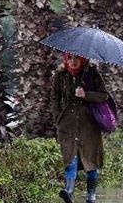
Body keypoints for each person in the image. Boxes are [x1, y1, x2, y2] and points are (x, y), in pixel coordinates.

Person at [51, 52, 108, 203]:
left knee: (91, 160)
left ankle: (91, 195)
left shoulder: (92, 73)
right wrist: (58, 117)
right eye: (70, 58)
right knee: (70, 158)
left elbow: (104, 95)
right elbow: (55, 97)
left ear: (83, 59)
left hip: (89, 126)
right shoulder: (61, 74)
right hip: (67, 125)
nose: (73, 61)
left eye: (76, 58)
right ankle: (68, 191)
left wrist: (86, 94)